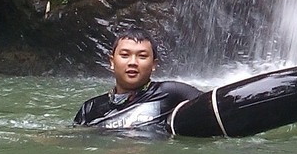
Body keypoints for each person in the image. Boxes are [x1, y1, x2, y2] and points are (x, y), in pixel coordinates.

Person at [73, 27, 201, 132]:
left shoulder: (173, 93)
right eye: (125, 55)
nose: (133, 62)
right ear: (112, 62)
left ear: (153, 65)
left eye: (142, 56)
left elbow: (213, 106)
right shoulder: (91, 108)